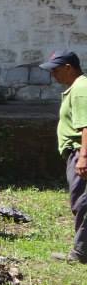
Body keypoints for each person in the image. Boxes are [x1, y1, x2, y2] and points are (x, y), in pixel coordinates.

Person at [40, 50, 87, 264]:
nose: (53, 75)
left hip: (81, 152)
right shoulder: (76, 88)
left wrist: (84, 157)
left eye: (55, 70)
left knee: (83, 203)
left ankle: (81, 253)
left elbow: (86, 126)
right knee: (80, 202)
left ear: (69, 67)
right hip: (76, 152)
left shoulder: (80, 89)